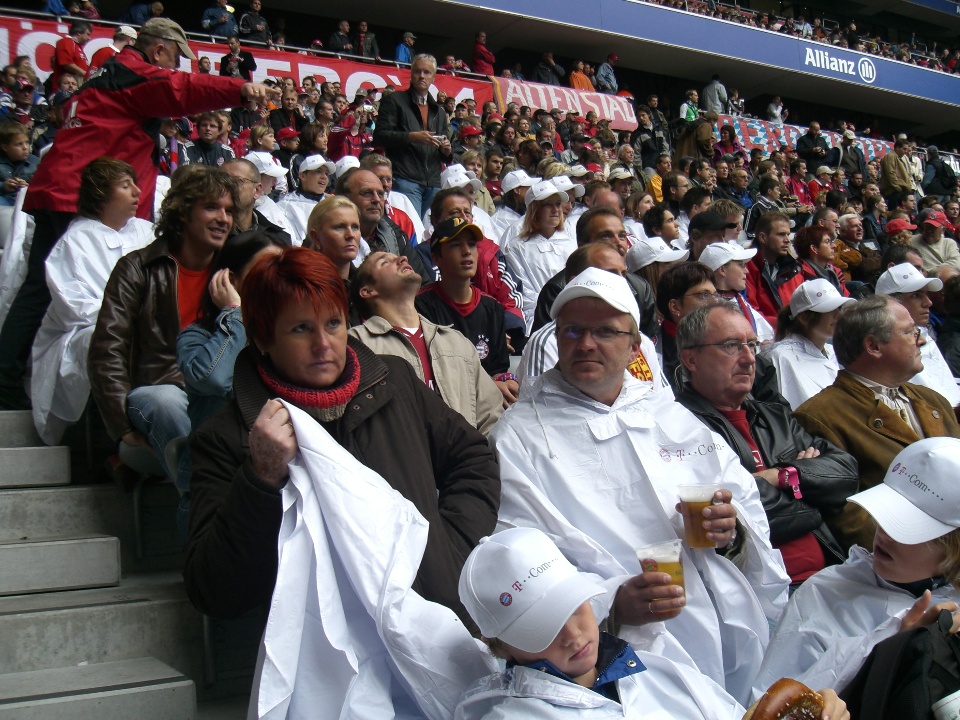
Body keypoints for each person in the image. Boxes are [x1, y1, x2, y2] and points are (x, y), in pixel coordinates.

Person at [490, 267, 790, 704]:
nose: (587, 343)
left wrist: (732, 532)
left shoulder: (666, 413)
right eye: (573, 330)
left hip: (725, 622)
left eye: (605, 332)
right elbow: (521, 557)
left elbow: (738, 500)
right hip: (629, 656)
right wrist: (612, 605)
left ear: (634, 346)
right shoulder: (520, 439)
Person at [183, 247, 501, 626]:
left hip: (436, 624)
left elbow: (474, 460)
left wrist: (448, 551)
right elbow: (213, 590)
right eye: (301, 328)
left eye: (333, 324)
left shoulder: (395, 381)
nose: (323, 344)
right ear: (263, 339)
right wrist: (260, 479)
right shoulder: (226, 436)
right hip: (326, 661)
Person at [0, 18, 276, 411]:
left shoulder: (106, 74)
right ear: (159, 49)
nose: (175, 66)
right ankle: (8, 382)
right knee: (46, 291)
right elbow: (177, 89)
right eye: (174, 57)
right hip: (79, 190)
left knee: (36, 290)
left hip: (61, 184)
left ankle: (10, 380)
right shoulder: (130, 70)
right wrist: (239, 87)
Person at [456, 528, 826, 720]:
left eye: (572, 607)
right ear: (500, 644)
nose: (572, 636)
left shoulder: (660, 670)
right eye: (543, 629)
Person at [754, 438, 960, 697]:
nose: (884, 533)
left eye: (906, 529)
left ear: (953, 548)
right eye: (885, 514)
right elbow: (770, 703)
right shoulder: (828, 593)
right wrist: (895, 649)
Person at [676, 303, 858, 586]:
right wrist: (813, 495)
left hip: (834, 571)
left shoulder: (774, 414)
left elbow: (845, 474)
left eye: (752, 345)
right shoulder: (679, 429)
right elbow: (730, 511)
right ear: (691, 360)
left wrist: (782, 475)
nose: (750, 359)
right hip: (762, 595)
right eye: (731, 346)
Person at [89, 167, 239, 481]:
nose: (223, 218)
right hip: (158, 391)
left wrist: (233, 309)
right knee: (166, 402)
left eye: (229, 210)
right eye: (211, 207)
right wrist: (123, 428)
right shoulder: (138, 268)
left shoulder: (237, 273)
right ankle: (201, 500)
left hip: (219, 396)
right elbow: (107, 350)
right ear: (183, 213)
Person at [794, 296, 960, 552]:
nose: (922, 340)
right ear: (873, 346)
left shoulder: (934, 400)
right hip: (904, 567)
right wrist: (929, 554)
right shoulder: (819, 416)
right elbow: (846, 514)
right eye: (909, 332)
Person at [31, 158, 154, 446]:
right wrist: (134, 317)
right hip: (87, 330)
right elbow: (74, 307)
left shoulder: (146, 232)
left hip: (147, 323)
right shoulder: (76, 241)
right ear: (101, 194)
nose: (137, 191)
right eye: (125, 185)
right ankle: (116, 438)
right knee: (107, 342)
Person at [349, 249, 503, 435]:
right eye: (384, 262)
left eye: (398, 257)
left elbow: (491, 415)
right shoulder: (356, 345)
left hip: (468, 462)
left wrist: (481, 461)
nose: (402, 258)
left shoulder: (457, 342)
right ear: (368, 291)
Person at [415, 218, 515, 405]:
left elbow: (498, 369)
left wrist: (504, 382)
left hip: (487, 405)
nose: (467, 251)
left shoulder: (492, 308)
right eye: (455, 245)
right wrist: (490, 388)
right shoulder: (420, 305)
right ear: (436, 258)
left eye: (472, 244)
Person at [373, 54, 452, 218]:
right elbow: (380, 136)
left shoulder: (439, 111)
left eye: (427, 72)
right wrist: (412, 137)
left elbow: (444, 155)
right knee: (411, 231)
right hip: (405, 178)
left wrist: (446, 151)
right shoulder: (394, 100)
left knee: (429, 233)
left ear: (434, 77)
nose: (422, 76)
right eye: (418, 71)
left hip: (433, 182)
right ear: (411, 73)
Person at [875, 262, 960, 408]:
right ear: (890, 303)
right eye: (916, 295)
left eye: (926, 294)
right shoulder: (886, 348)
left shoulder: (924, 334)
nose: (928, 303)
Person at [762, 279, 854, 411]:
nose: (837, 314)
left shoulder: (834, 352)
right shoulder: (780, 356)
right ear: (804, 317)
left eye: (839, 308)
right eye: (829, 309)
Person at [503, 180, 577, 333]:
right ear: (534, 210)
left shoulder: (571, 244)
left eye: (557, 204)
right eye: (547, 205)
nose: (555, 210)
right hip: (537, 319)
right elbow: (523, 291)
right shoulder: (516, 247)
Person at [338, 168, 431, 281]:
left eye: (381, 194)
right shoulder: (329, 236)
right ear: (343, 198)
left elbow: (422, 282)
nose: (376, 199)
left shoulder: (395, 233)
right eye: (367, 193)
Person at [699, 241, 774, 343]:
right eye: (741, 265)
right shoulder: (706, 307)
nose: (746, 271)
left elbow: (767, 334)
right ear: (722, 270)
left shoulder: (738, 299)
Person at [745, 211, 804, 327]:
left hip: (794, 331)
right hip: (767, 334)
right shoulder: (746, 268)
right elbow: (751, 312)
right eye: (781, 234)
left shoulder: (793, 269)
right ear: (763, 237)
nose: (787, 240)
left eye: (788, 234)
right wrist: (785, 325)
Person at [909, 209, 960, 274]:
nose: (929, 230)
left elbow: (956, 263)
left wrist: (930, 272)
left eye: (933, 227)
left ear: (943, 230)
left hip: (942, 278)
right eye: (927, 226)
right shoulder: (912, 240)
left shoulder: (948, 243)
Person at [51, 20, 91, 92]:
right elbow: (66, 63)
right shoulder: (66, 42)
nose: (89, 38)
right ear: (79, 33)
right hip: (64, 91)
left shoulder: (76, 45)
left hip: (76, 88)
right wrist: (86, 74)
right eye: (88, 34)